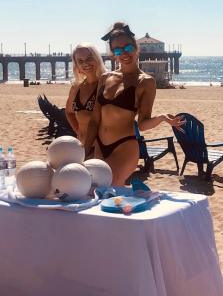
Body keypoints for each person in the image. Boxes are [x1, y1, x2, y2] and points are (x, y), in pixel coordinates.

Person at [85, 22, 184, 186]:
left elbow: (143, 124)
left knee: (109, 187)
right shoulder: (105, 78)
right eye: (117, 50)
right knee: (98, 196)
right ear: (113, 54)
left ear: (136, 47)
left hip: (124, 148)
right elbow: (95, 119)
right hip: (99, 147)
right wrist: (85, 148)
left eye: (127, 47)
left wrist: (161, 118)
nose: (124, 53)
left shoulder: (146, 82)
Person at [65, 43, 107, 153]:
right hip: (82, 147)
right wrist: (77, 129)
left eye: (89, 58)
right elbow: (69, 112)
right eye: (80, 61)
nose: (86, 63)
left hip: (102, 148)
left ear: (97, 58)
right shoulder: (76, 87)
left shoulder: (106, 84)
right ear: (77, 65)